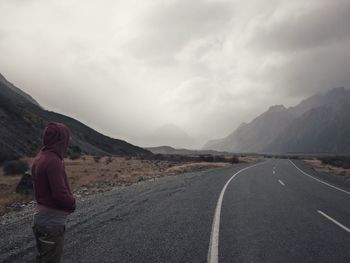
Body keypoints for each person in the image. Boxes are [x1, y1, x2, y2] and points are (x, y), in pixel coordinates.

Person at [31, 122, 76, 263]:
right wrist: (72, 203)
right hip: (52, 223)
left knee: (43, 258)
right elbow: (60, 195)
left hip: (41, 219)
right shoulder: (54, 161)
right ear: (62, 139)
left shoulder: (40, 157)